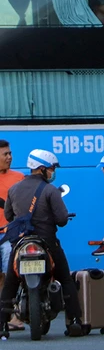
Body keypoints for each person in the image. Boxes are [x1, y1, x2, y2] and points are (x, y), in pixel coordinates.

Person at [0, 150, 84, 337]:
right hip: (47, 243)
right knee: (66, 279)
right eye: (52, 168)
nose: (53, 172)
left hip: (21, 243)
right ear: (41, 169)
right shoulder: (50, 191)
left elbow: (8, 216)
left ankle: (1, 326)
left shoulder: (14, 189)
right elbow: (62, 219)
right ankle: (75, 323)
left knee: (10, 284)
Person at [0, 140, 24, 330]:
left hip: (10, 235)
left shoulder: (19, 177)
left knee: (11, 276)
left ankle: (14, 316)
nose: (9, 157)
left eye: (9, 153)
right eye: (5, 154)